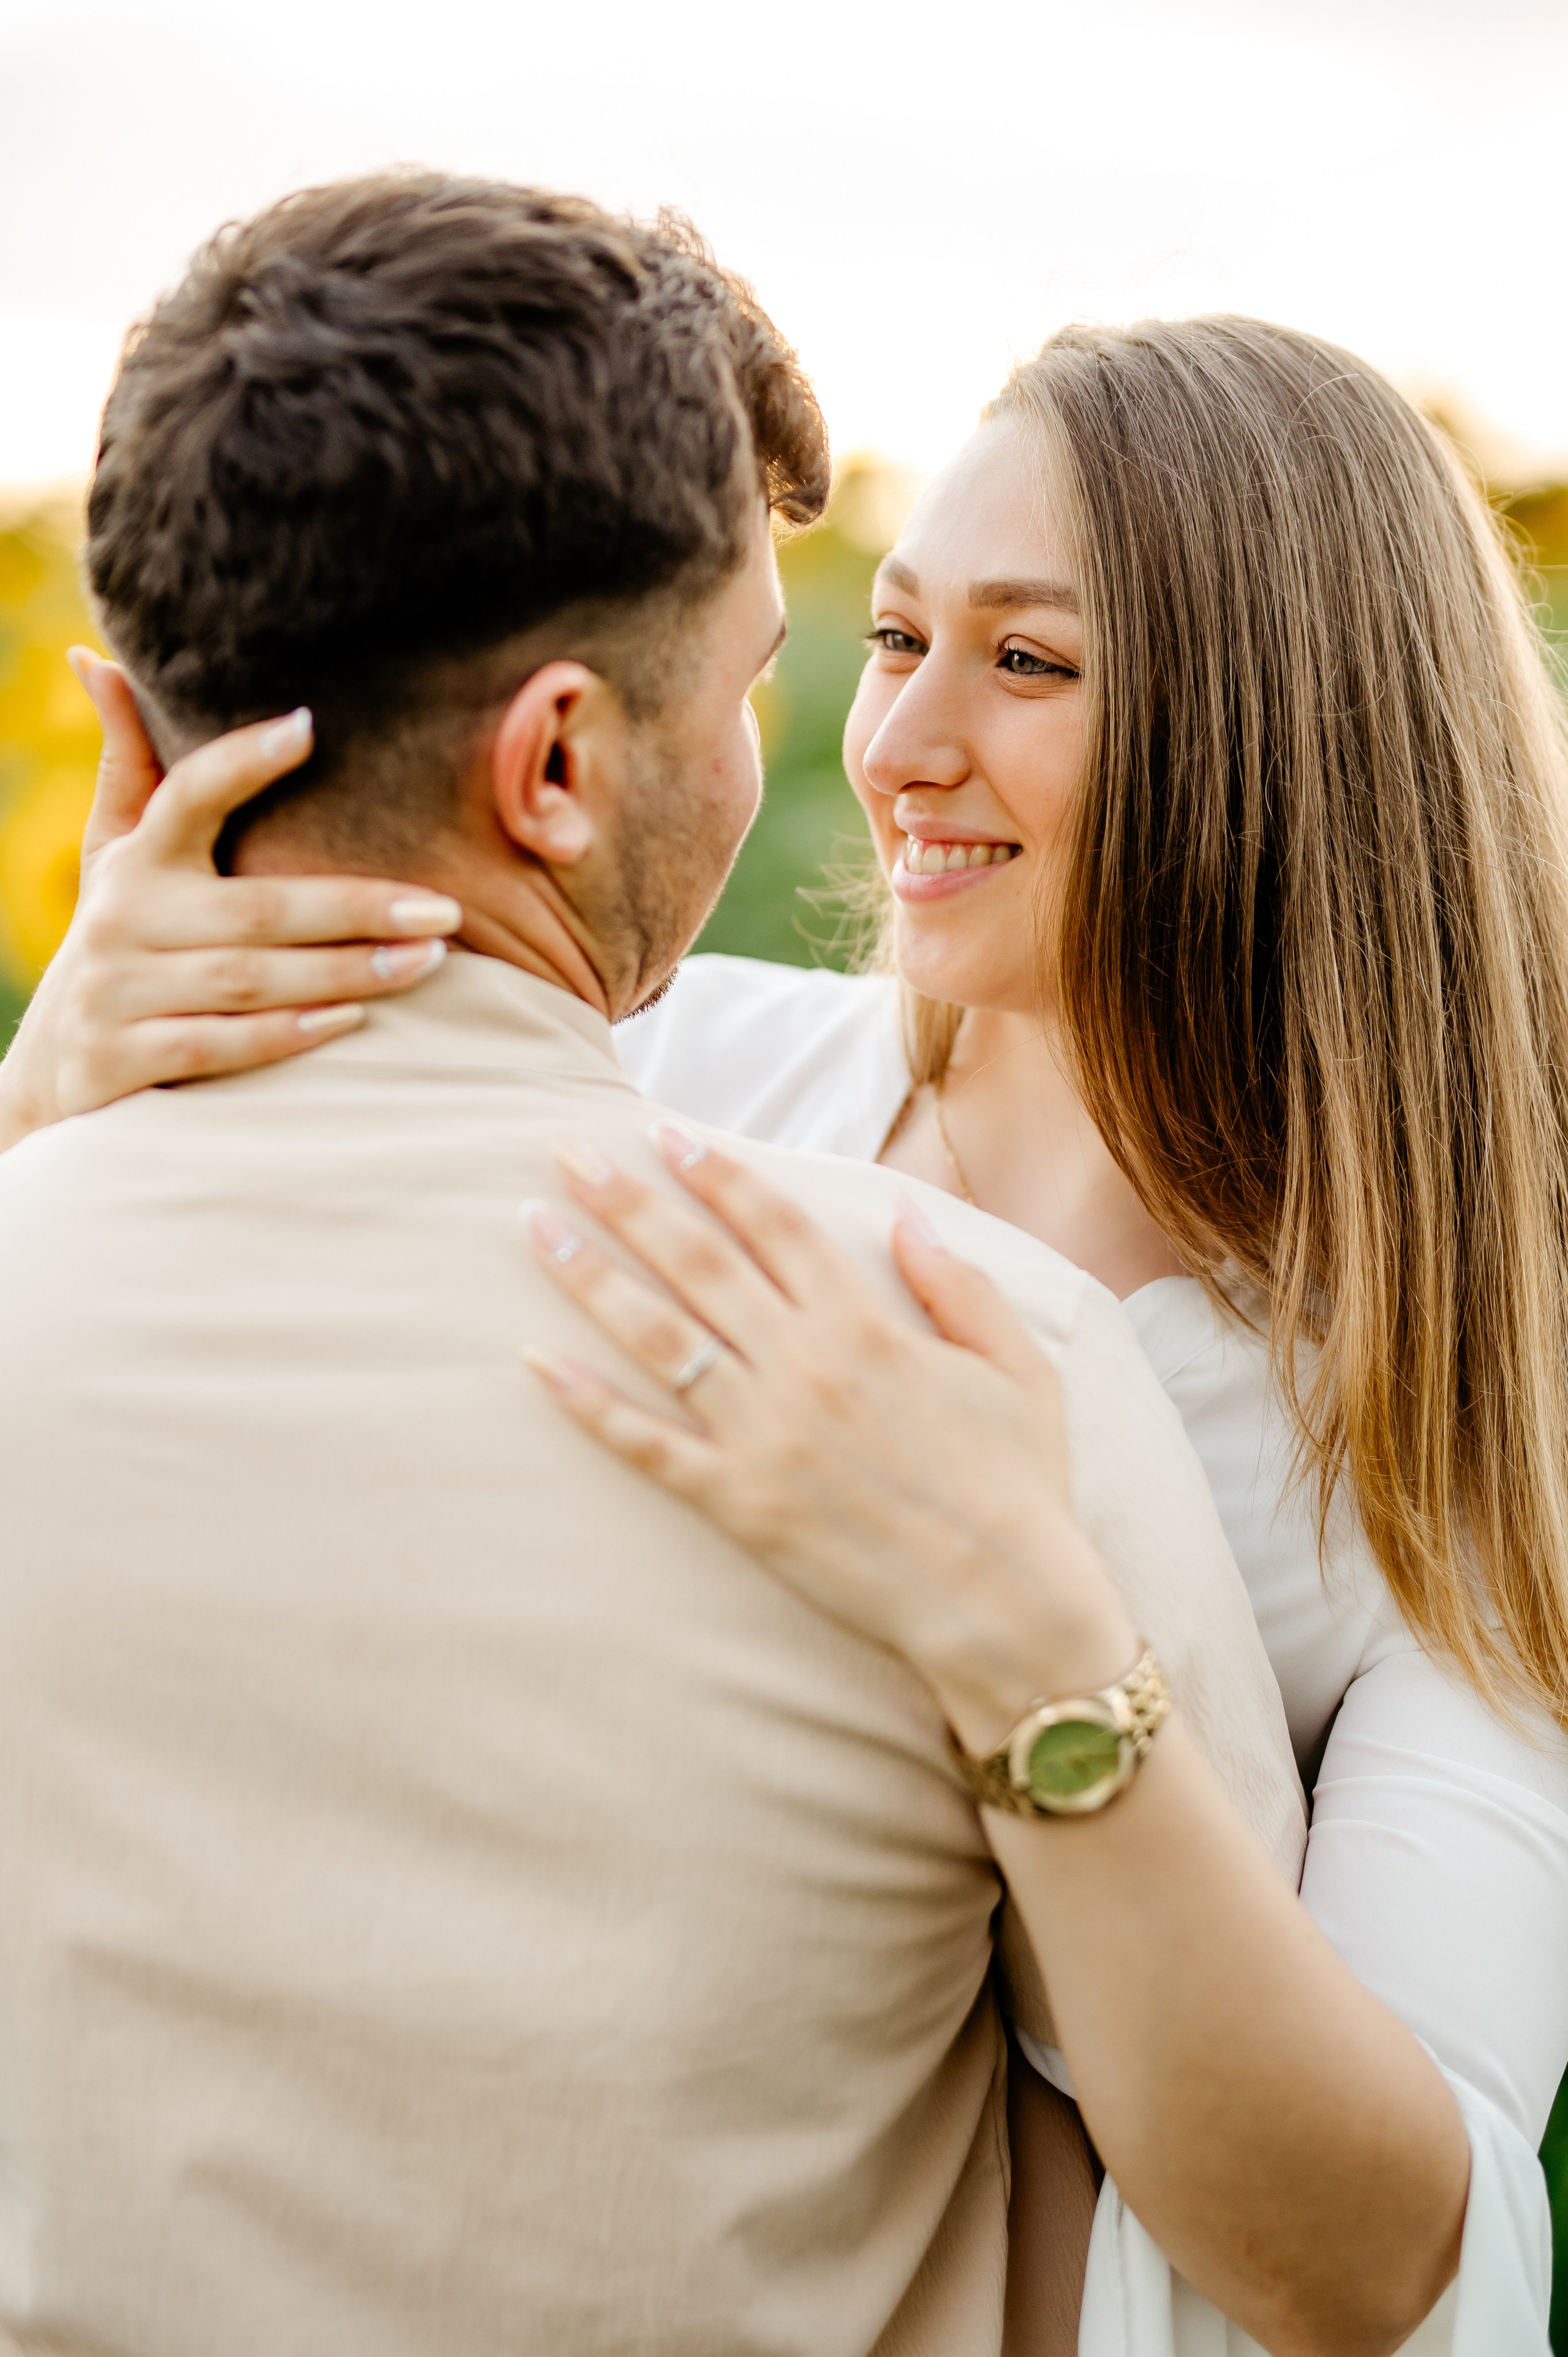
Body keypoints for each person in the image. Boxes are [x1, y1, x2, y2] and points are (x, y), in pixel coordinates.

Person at [21, 309, 1568, 2356]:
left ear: (1281, 738)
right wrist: (62, 1087)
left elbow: (1384, 2265)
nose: (900, 739)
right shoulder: (671, 1074)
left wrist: (1018, 1625)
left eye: (1027, 663)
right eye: (897, 635)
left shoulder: (1461, 1399)